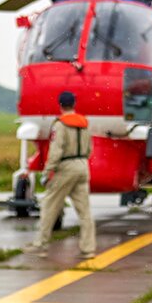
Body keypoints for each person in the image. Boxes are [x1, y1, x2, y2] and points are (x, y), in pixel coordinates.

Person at [28, 91, 96, 255]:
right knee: (85, 212)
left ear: (60, 105)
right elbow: (89, 149)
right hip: (82, 166)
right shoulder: (84, 123)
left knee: (50, 205)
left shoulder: (60, 124)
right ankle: (88, 248)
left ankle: (41, 244)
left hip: (66, 167)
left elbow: (56, 151)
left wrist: (47, 171)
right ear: (74, 104)